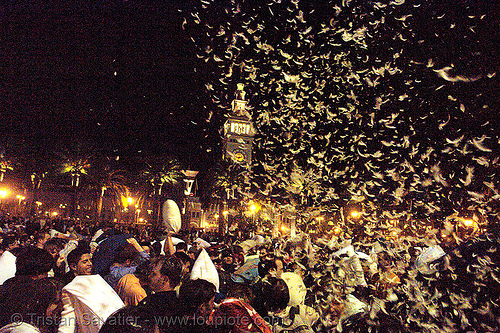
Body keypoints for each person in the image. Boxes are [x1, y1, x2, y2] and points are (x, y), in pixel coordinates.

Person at [58, 247, 124, 333]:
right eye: (85, 262)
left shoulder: (98, 279)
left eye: (90, 261)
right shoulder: (69, 289)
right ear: (73, 266)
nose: (90, 264)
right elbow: (69, 319)